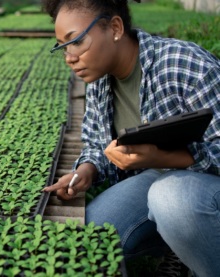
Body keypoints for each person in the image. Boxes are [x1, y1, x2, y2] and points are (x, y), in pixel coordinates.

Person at [41, 0, 220, 276]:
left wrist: (164, 157)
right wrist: (87, 169)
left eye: (76, 41)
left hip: (202, 185)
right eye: (62, 47)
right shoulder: (99, 80)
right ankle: (182, 242)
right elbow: (95, 144)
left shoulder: (184, 64)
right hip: (155, 178)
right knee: (91, 236)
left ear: (114, 28)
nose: (69, 57)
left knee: (171, 198)